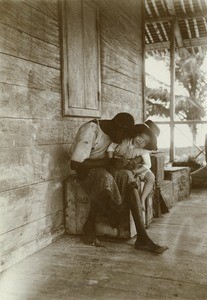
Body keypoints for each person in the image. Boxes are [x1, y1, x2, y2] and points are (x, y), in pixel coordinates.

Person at [70, 113, 168, 254]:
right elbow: (75, 164)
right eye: (122, 135)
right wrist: (109, 162)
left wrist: (134, 162)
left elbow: (139, 152)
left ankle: (142, 237)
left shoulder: (118, 131)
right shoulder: (91, 130)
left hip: (106, 167)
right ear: (114, 126)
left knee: (127, 175)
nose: (123, 139)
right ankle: (89, 225)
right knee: (104, 177)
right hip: (86, 171)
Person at [107, 122, 157, 212]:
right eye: (140, 137)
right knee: (125, 177)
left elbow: (147, 164)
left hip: (132, 167)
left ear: (146, 145)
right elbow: (110, 148)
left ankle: (142, 199)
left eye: (144, 142)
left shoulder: (143, 150)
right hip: (118, 164)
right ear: (136, 133)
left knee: (151, 177)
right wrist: (111, 160)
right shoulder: (123, 140)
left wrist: (136, 171)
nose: (140, 141)